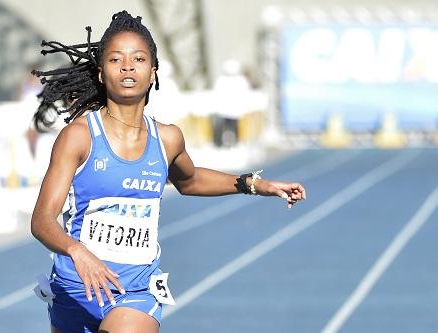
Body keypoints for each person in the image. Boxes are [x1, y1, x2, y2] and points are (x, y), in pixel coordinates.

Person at [30, 10, 306, 333]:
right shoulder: (79, 137)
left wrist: (254, 184)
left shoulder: (167, 138)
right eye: (116, 59)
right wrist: (77, 251)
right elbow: (42, 219)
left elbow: (190, 180)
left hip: (135, 290)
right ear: (102, 74)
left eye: (139, 59)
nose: (128, 66)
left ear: (153, 72)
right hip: (76, 289)